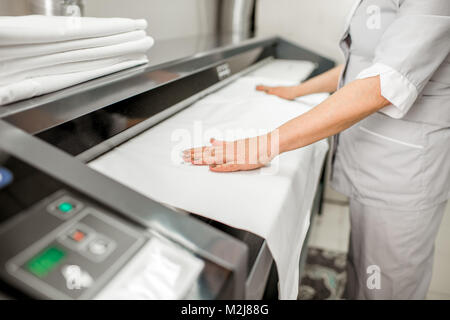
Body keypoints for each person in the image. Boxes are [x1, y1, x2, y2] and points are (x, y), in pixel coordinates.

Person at [183, 0, 450, 299]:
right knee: (363, 270)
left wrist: (265, 144)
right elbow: (361, 66)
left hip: (404, 170)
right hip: (375, 160)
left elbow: (384, 83)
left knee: (388, 285)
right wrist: (297, 90)